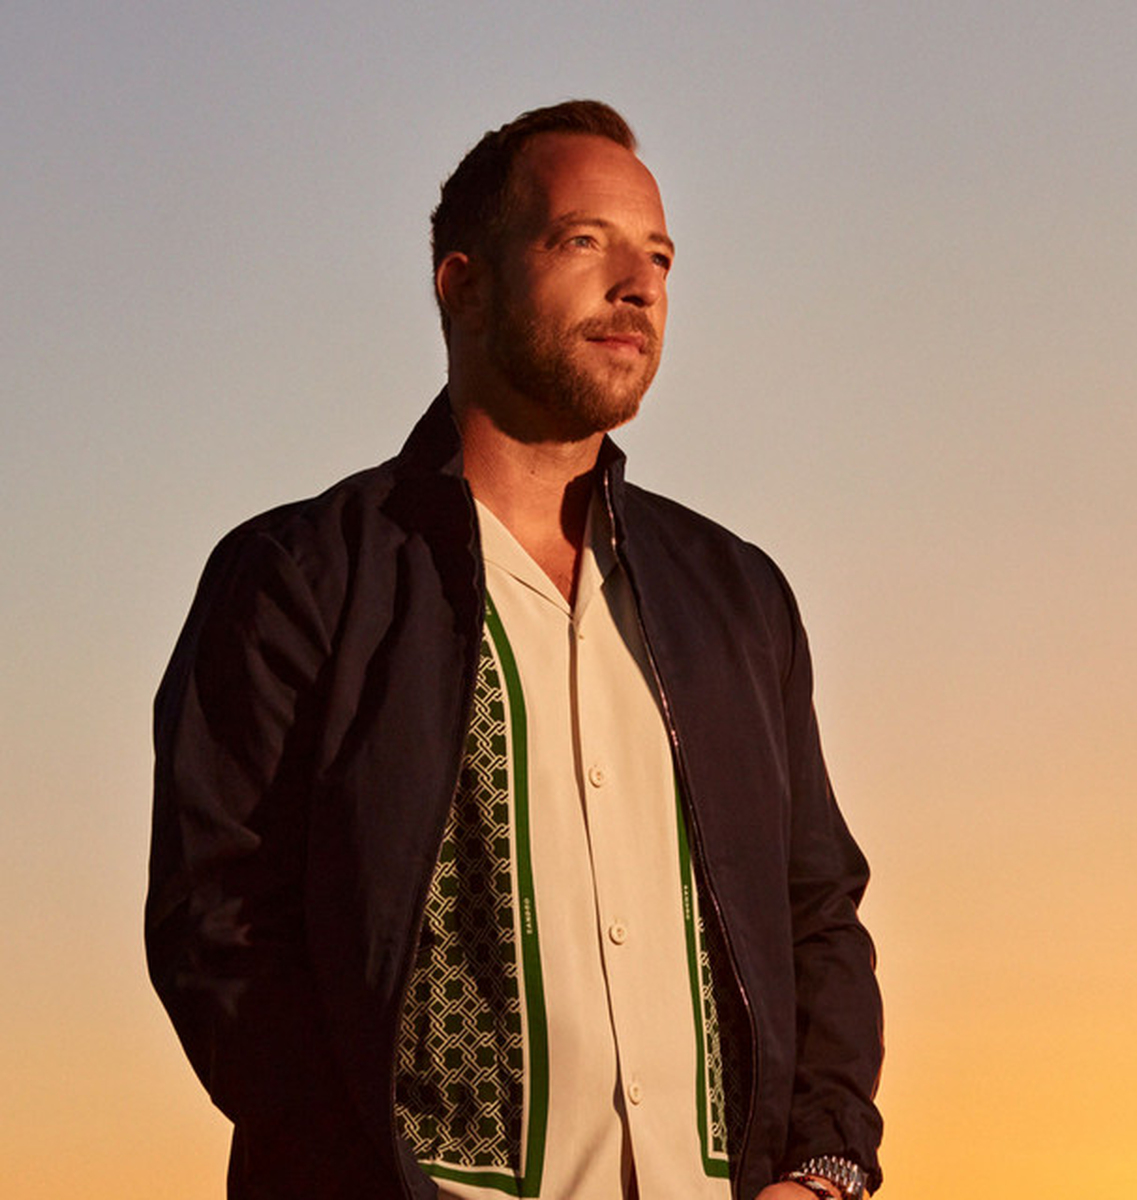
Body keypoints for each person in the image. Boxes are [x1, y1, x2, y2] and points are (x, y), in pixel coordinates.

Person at [147, 100, 884, 1200]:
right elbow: (219, 931)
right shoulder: (299, 578)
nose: (638, 286)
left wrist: (826, 1169)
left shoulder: (737, 599)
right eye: (585, 241)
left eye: (659, 257)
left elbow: (815, 911)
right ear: (465, 286)